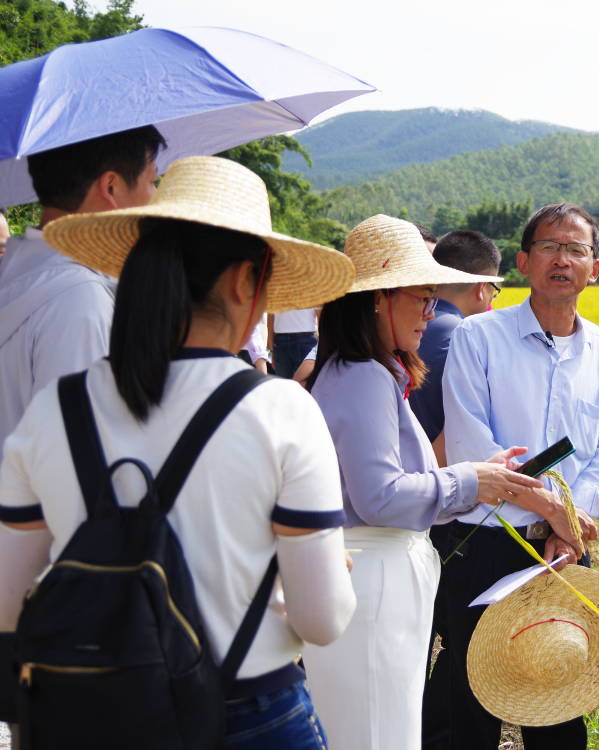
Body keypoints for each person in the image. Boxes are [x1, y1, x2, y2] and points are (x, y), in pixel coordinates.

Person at [0, 156, 358, 748]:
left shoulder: (56, 410)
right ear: (246, 280)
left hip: (91, 715)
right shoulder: (281, 409)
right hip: (249, 711)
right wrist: (328, 570)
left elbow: (9, 606)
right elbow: (323, 621)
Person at [301, 214, 581, 750]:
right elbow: (381, 498)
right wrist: (469, 482)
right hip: (376, 582)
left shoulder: (363, 371)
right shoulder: (363, 378)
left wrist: (475, 476)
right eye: (422, 299)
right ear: (380, 298)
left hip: (376, 576)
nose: (430, 314)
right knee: (380, 731)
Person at [423, 202, 599, 750]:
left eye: (576, 249)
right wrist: (555, 509)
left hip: (561, 552)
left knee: (560, 692)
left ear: (595, 268)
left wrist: (568, 525)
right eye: (549, 247)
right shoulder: (479, 338)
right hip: (483, 545)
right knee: (472, 700)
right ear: (523, 262)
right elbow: (475, 449)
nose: (562, 259)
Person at [0, 126, 165, 458]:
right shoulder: (78, 301)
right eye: (152, 182)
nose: (155, 198)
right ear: (111, 186)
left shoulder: (18, 269)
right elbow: (80, 462)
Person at [408, 230, 502, 463]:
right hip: (444, 482)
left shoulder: (404, 327)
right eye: (494, 290)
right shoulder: (466, 340)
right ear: (482, 288)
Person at [271, 307, 318, 378]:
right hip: (282, 341)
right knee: (285, 385)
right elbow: (271, 316)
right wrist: (271, 348)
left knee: (306, 385)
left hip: (304, 340)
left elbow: (320, 315)